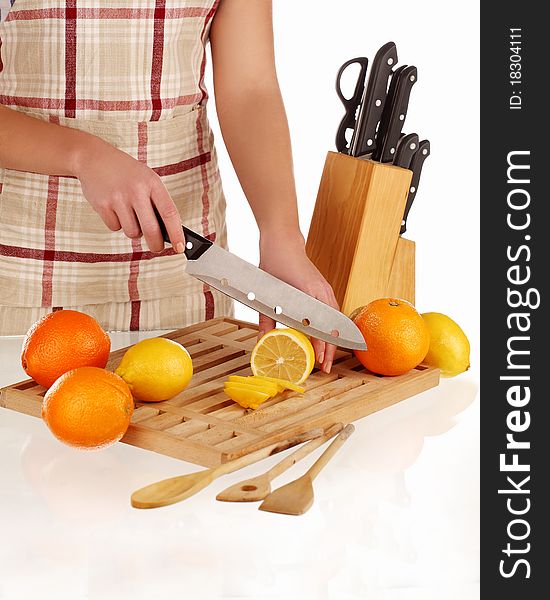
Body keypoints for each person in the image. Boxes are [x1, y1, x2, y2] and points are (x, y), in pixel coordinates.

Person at [0, 0, 338, 372]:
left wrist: (281, 235)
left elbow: (250, 88)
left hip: (181, 279)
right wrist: (82, 155)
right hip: (23, 275)